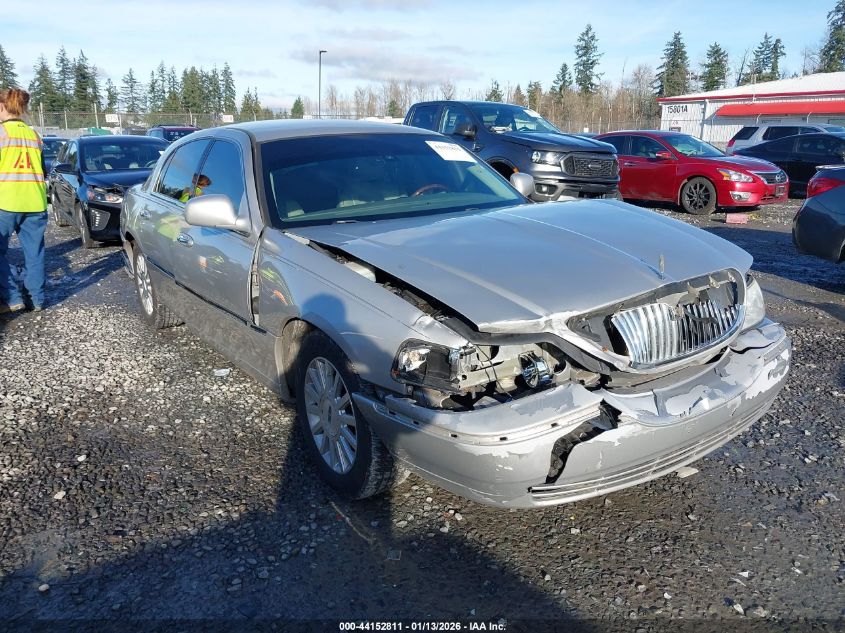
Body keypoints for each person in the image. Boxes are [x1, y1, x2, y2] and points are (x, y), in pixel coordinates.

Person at [0, 87, 48, 313]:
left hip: (6, 202)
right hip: (35, 203)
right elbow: (42, 170)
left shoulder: (1, 133)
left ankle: (11, 297)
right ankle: (36, 300)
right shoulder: (35, 136)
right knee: (34, 253)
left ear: (2, 107)